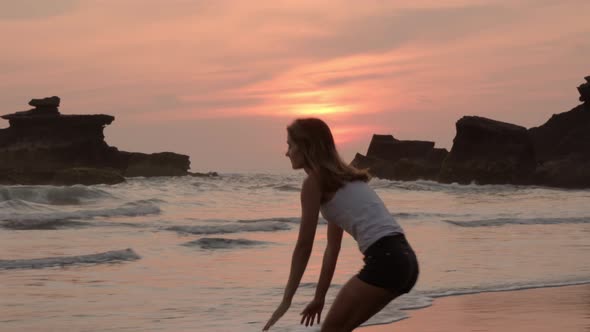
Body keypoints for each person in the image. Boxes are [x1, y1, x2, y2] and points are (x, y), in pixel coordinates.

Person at [263, 118, 419, 331]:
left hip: (386, 260)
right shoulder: (342, 180)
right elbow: (331, 249)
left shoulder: (314, 182)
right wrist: (319, 297)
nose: (287, 152)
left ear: (306, 146)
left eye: (290, 145)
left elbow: (304, 246)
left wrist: (286, 300)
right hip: (405, 261)